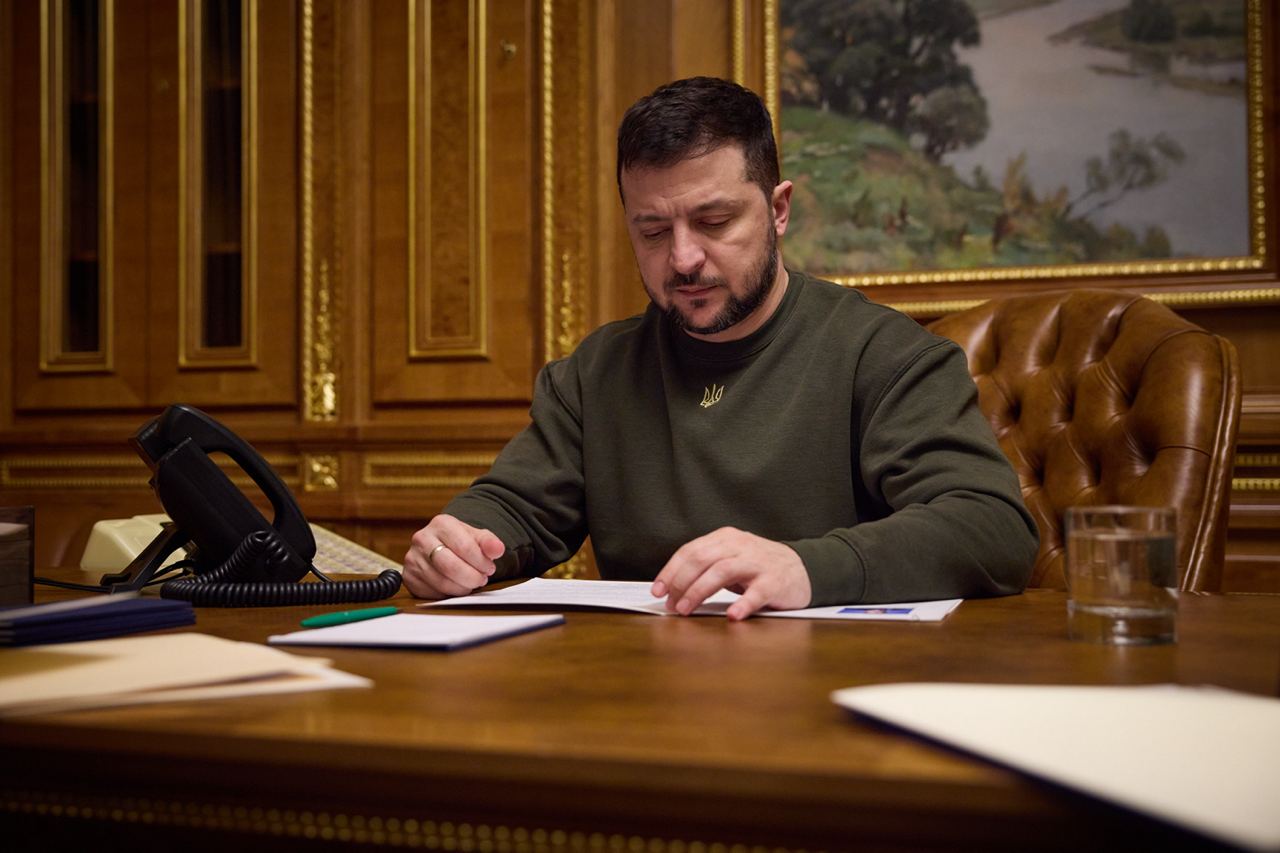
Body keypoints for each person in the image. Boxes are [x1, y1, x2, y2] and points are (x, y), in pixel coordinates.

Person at [404, 76, 1038, 620]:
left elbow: (991, 526)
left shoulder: (884, 354)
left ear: (779, 210)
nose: (683, 258)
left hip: (832, 684)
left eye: (714, 222)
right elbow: (512, 506)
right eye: (653, 231)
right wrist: (456, 546)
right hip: (636, 688)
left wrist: (806, 568)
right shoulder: (595, 374)